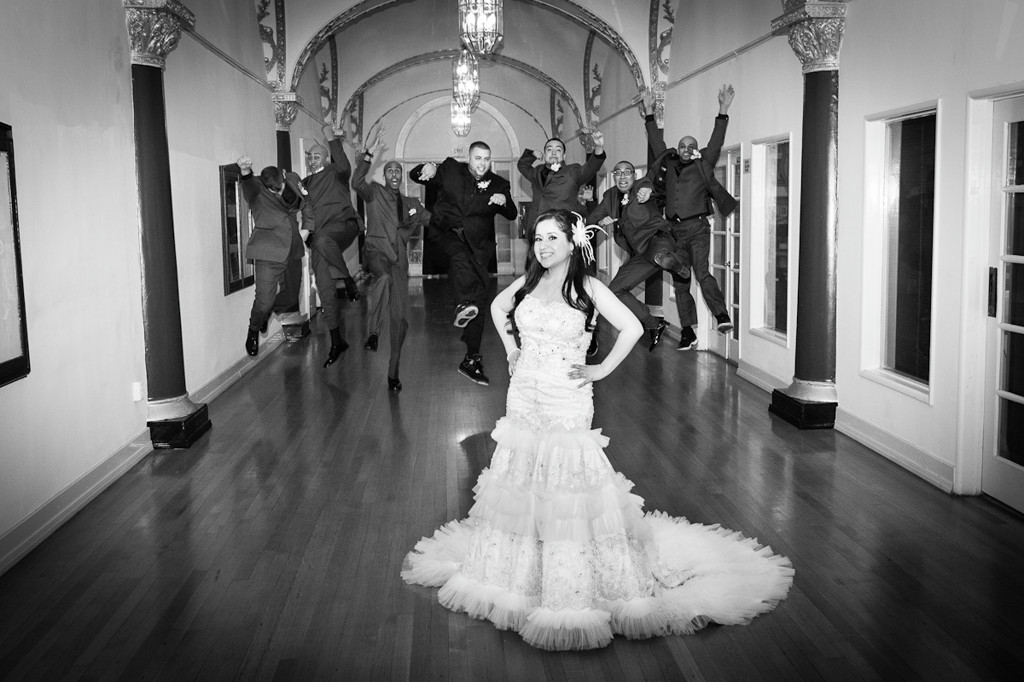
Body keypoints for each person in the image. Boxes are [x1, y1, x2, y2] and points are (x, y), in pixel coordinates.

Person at [402, 209, 793, 651]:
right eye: (538, 239)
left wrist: (601, 368)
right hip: (524, 395)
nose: (543, 246)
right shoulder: (529, 282)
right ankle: (521, 570)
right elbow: (496, 306)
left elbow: (631, 326)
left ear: (573, 243)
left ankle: (571, 579)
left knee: (567, 485)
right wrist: (511, 349)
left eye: (553, 238)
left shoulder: (588, 287)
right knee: (522, 478)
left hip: (566, 397)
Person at [409, 142, 517, 386]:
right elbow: (416, 175)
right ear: (469, 157)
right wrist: (426, 167)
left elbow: (511, 213)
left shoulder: (499, 184)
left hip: (478, 248)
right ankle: (463, 302)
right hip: (445, 235)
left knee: (479, 302)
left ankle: (471, 359)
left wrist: (503, 201)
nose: (482, 163)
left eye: (486, 159)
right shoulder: (450, 170)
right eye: (478, 158)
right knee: (458, 258)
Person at [646, 85, 739, 343]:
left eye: (691, 146)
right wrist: (649, 113)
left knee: (702, 272)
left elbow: (716, 141)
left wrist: (723, 109)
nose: (686, 149)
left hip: (697, 229)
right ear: (677, 149)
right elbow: (656, 143)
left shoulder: (703, 163)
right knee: (680, 280)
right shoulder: (669, 164)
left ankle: (721, 315)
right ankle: (687, 330)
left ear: (696, 149)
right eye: (682, 146)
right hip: (674, 231)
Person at [352, 131, 430, 392]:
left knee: (401, 321)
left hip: (399, 263)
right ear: (384, 176)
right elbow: (356, 182)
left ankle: (393, 374)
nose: (394, 174)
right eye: (390, 171)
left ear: (401, 176)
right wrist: (368, 155)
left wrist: (460, 222)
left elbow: (435, 220)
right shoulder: (373, 192)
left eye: (398, 171)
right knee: (382, 278)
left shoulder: (412, 203)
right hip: (376, 253)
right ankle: (374, 333)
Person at [589, 160, 692, 351]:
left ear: (634, 176)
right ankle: (654, 323)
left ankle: (678, 265)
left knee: (659, 254)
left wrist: (646, 192)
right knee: (615, 291)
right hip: (641, 252)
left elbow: (647, 187)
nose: (622, 176)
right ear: (614, 177)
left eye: (627, 172)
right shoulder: (609, 196)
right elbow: (592, 219)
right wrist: (595, 224)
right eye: (618, 173)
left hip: (658, 238)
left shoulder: (640, 186)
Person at [303, 131, 363, 366]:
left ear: (326, 159)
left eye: (317, 156)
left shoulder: (335, 172)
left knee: (322, 239)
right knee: (325, 288)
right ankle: (337, 341)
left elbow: (344, 164)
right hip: (321, 239)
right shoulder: (305, 184)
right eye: (310, 157)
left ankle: (347, 280)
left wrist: (331, 139)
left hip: (343, 226)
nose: (312, 160)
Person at [237, 156, 305, 358]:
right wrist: (245, 172)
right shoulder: (257, 189)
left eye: (280, 187)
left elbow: (300, 202)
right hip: (268, 253)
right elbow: (248, 186)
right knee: (264, 301)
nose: (278, 192)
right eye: (274, 190)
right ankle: (253, 329)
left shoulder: (291, 180)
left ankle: (265, 313)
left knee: (291, 297)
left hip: (292, 251)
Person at [517, 132, 605, 236]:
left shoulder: (572, 172)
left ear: (564, 156)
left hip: (562, 229)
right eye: (549, 150)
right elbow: (522, 166)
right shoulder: (537, 171)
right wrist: (532, 154)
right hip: (537, 228)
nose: (553, 153)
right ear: (544, 155)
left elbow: (590, 168)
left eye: (558, 150)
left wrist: (598, 148)